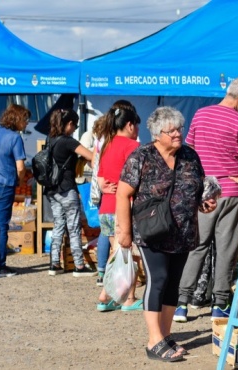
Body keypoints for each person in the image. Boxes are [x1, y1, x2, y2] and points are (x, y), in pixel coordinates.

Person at [116, 106, 216, 362]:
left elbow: (197, 190)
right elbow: (123, 193)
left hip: (183, 232)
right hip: (153, 232)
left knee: (174, 284)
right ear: (157, 133)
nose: (176, 134)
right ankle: (154, 341)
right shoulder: (142, 156)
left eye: (179, 128)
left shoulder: (190, 156)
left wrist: (205, 203)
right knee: (158, 279)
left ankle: (165, 334)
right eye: (170, 130)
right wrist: (124, 233)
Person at [175, 77, 238, 322]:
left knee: (197, 246)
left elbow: (189, 152)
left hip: (204, 192)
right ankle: (220, 304)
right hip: (231, 192)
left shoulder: (201, 115)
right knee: (226, 250)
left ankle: (181, 303)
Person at [95, 103, 143, 312]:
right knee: (120, 253)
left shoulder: (107, 143)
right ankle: (107, 295)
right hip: (123, 208)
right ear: (130, 125)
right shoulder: (132, 147)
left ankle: (127, 297)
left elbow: (102, 175)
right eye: (137, 126)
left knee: (122, 253)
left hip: (106, 206)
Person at [45, 109, 95, 277]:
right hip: (67, 189)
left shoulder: (50, 139)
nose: (75, 128)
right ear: (68, 124)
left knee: (58, 225)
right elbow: (90, 155)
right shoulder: (68, 141)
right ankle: (79, 266)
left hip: (52, 189)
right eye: (74, 125)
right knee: (73, 227)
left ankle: (54, 264)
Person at [0, 104, 30, 278]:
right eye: (25, 120)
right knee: (1, 226)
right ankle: (0, 267)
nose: (27, 124)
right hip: (5, 184)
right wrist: (20, 180)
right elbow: (21, 167)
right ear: (18, 119)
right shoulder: (15, 138)